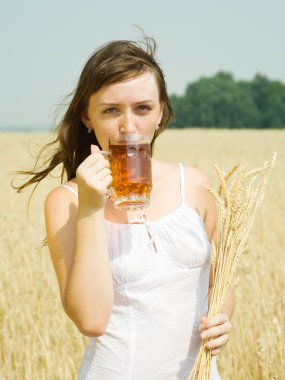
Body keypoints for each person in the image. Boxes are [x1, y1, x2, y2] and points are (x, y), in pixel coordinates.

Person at [17, 37, 233, 379]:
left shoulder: (192, 184)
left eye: (142, 108)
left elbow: (219, 283)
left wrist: (222, 318)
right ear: (88, 117)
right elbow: (91, 320)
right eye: (111, 110)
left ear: (161, 112)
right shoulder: (67, 202)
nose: (128, 126)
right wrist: (91, 206)